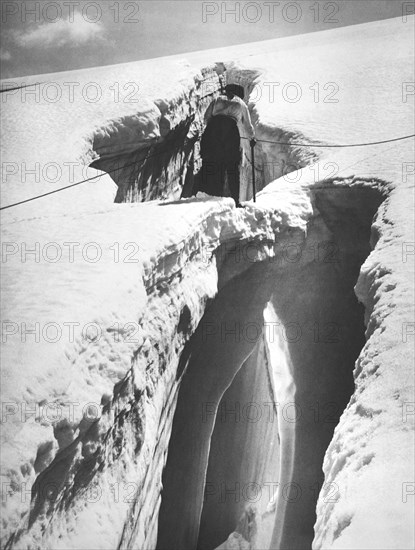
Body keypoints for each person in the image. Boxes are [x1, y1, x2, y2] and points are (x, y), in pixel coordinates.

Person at [199, 84, 256, 207]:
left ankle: (211, 196)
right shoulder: (241, 104)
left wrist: (212, 132)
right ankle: (235, 200)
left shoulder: (217, 99)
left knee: (213, 165)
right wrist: (252, 138)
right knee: (232, 167)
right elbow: (247, 125)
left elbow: (206, 117)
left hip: (213, 132)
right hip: (230, 134)